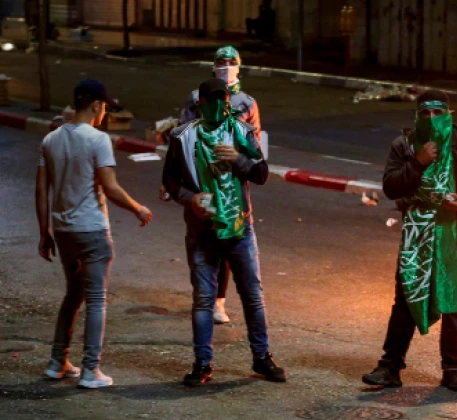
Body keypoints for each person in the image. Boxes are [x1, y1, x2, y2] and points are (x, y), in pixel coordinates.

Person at [362, 90, 457, 392]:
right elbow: (391, 186)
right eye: (425, 113)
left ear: (448, 114)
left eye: (437, 112)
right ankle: (390, 366)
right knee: (406, 298)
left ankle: (453, 370)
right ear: (417, 115)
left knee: (454, 301)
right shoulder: (405, 145)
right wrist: (419, 162)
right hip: (417, 231)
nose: (431, 118)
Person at [163, 78, 286, 387]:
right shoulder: (182, 137)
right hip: (202, 229)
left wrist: (238, 159)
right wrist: (190, 199)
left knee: (252, 296)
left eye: (225, 101)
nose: (220, 107)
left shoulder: (241, 133)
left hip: (239, 227)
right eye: (213, 101)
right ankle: (202, 364)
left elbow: (261, 174)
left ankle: (262, 358)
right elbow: (170, 180)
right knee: (204, 299)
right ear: (200, 104)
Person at [36, 79, 153, 389]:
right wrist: (138, 208)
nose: (105, 114)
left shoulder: (50, 140)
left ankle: (57, 361)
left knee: (73, 295)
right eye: (105, 108)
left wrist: (43, 231)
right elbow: (110, 187)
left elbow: (40, 190)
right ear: (97, 106)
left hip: (63, 231)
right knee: (97, 300)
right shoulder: (98, 140)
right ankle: (91, 370)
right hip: (92, 230)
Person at [174, 45, 262, 325]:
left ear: (239, 66)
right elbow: (182, 141)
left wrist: (240, 161)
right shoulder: (194, 99)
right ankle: (204, 297)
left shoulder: (247, 104)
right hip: (203, 185)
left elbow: (257, 150)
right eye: (221, 62)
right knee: (202, 240)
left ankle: (218, 302)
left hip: (233, 188)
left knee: (229, 240)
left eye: (231, 62)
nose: (226, 66)